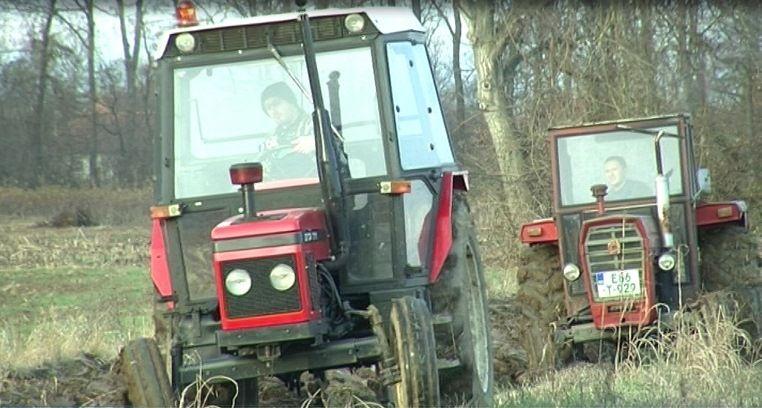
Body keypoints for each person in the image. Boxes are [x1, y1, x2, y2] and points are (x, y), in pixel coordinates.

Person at [260, 81, 315, 155]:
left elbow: (333, 143)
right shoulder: (273, 136)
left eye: (276, 103)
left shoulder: (314, 125)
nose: (273, 111)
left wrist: (316, 143)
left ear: (291, 101)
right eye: (268, 108)